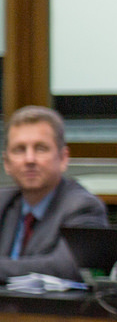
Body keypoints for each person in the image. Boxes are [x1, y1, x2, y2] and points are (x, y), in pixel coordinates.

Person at [0, 105, 108, 280]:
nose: (29, 159)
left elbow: (65, 267)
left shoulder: (83, 207)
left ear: (63, 158)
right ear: (6, 163)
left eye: (40, 148)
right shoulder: (3, 202)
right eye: (20, 150)